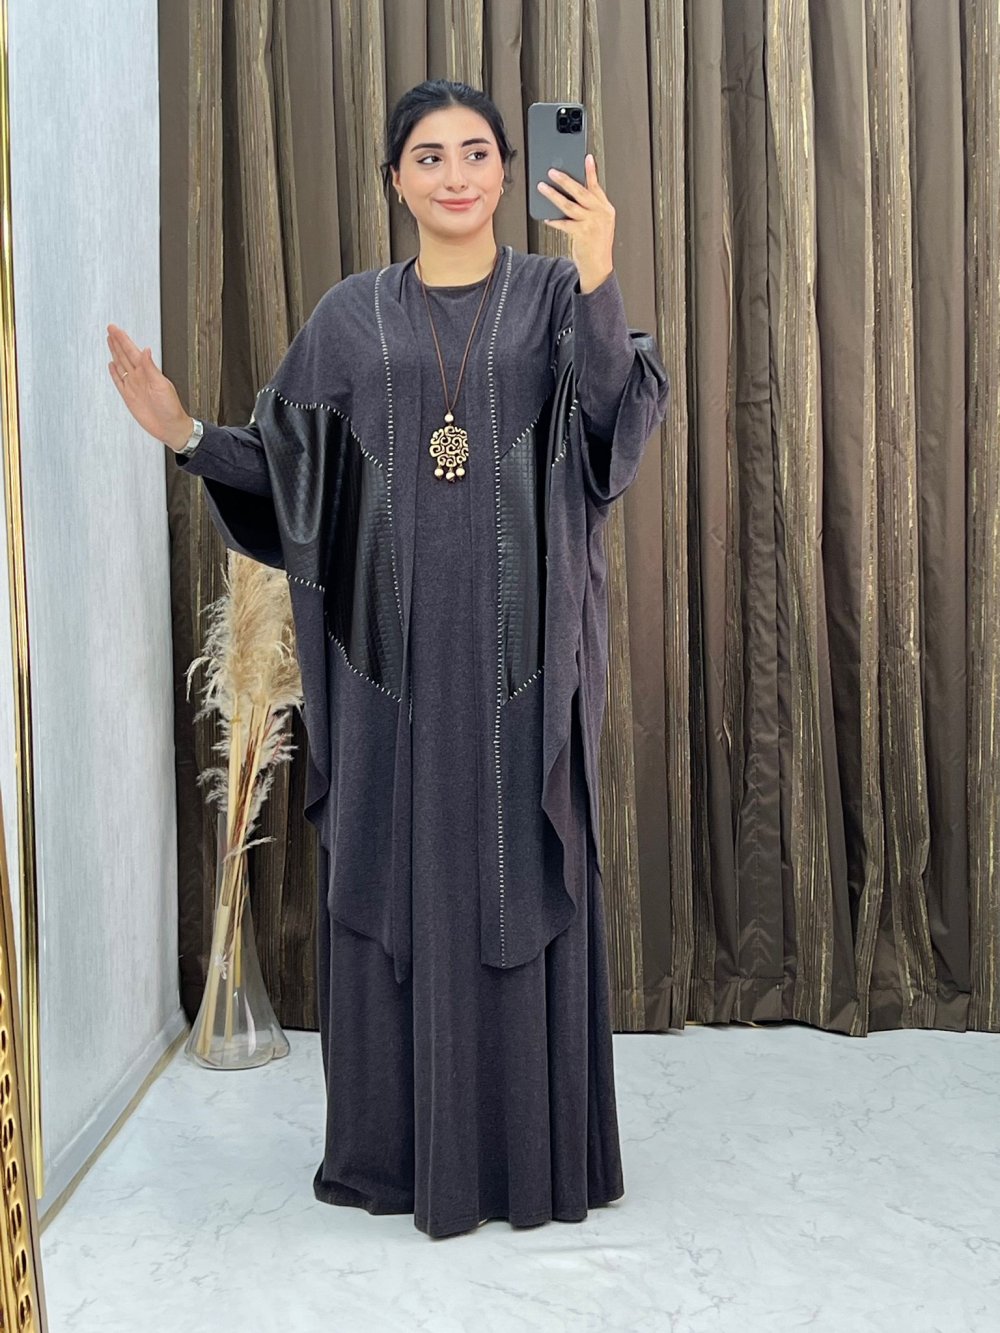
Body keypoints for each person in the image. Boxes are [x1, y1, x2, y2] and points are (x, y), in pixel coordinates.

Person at [107, 79, 670, 1240]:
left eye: (475, 153)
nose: (454, 175)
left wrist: (600, 271)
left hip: (526, 668)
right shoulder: (350, 318)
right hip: (390, 676)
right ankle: (400, 1154)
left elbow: (612, 428)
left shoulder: (555, 293)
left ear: (507, 170)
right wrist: (184, 433)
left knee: (518, 869)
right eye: (428, 156)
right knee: (406, 874)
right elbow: (290, 469)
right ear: (395, 180)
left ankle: (527, 1157)